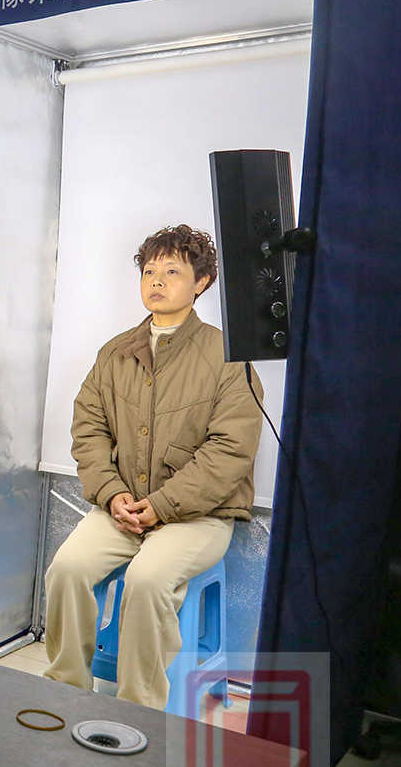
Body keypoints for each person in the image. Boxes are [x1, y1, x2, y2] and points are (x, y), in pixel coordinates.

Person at [42, 224, 262, 710]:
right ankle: (64, 691)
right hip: (123, 508)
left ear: (201, 282)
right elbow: (88, 428)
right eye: (149, 271)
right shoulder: (115, 352)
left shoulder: (229, 358)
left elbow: (230, 451)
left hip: (200, 516)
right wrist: (111, 493)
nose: (156, 281)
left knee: (146, 581)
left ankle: (138, 710)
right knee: (67, 569)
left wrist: (162, 505)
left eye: (172, 272)